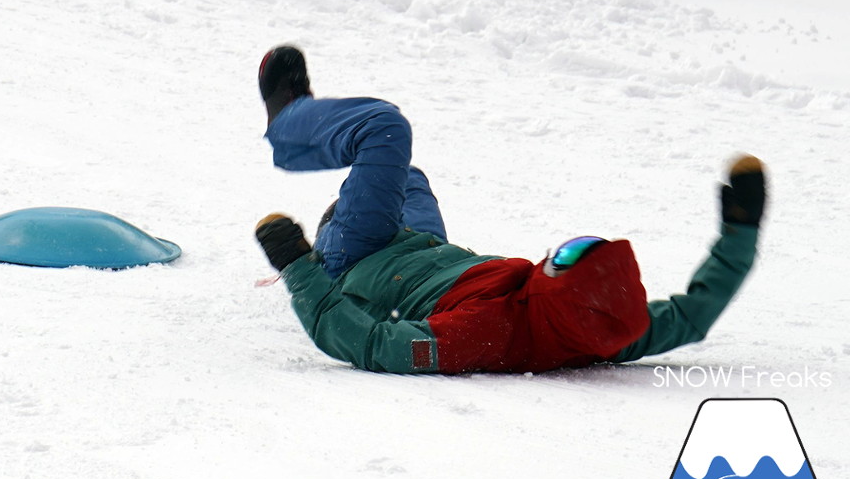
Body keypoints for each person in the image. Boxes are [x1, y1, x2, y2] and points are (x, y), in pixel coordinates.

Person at [254, 45, 765, 375]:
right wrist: (740, 229)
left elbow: (368, 343)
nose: (552, 256)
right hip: (427, 248)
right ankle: (318, 141)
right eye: (575, 248)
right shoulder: (605, 329)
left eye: (563, 261)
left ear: (561, 292)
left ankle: (289, 123)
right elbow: (693, 316)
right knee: (408, 177)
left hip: (360, 260)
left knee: (383, 130)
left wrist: (298, 267)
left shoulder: (484, 331)